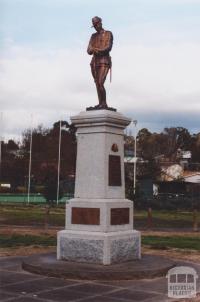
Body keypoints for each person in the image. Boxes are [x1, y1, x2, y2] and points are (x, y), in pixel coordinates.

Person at [87, 16, 113, 109]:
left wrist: (96, 50)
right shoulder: (93, 36)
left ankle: (104, 103)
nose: (96, 26)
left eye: (97, 24)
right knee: (97, 83)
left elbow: (108, 47)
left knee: (101, 82)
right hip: (94, 62)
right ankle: (100, 103)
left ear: (101, 23)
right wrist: (93, 49)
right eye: (94, 25)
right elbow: (88, 50)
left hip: (104, 61)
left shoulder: (108, 34)